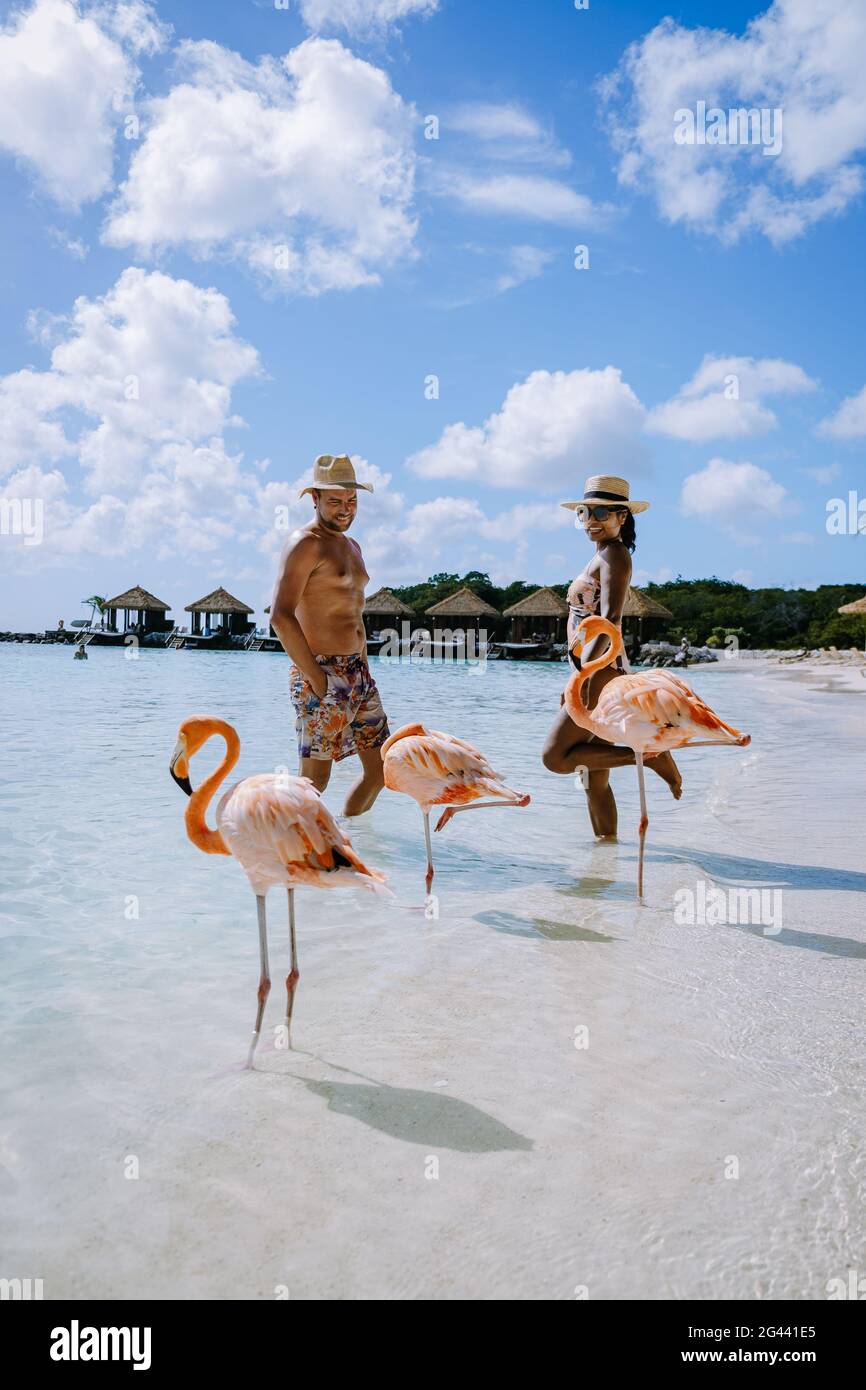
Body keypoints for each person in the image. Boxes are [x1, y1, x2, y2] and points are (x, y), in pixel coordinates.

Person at [542, 474, 682, 838]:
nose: (591, 520)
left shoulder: (616, 556)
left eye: (602, 512)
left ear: (622, 517)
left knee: (555, 759)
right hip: (600, 672)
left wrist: (581, 677)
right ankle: (606, 856)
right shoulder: (603, 556)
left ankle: (649, 757)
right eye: (585, 512)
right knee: (593, 781)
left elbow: (610, 621)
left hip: (600, 674)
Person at [270, 454, 389, 816]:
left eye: (351, 501)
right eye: (335, 501)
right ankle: (293, 854)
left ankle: (347, 842)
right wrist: (316, 679)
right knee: (313, 785)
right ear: (315, 499)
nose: (345, 509)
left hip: (359, 675)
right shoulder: (305, 544)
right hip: (320, 671)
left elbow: (356, 611)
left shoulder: (353, 547)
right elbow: (280, 616)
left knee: (380, 771)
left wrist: (365, 666)